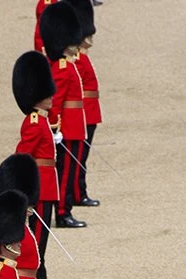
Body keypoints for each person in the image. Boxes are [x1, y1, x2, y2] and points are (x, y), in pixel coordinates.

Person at [12, 50, 62, 279]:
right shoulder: (33, 122)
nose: (52, 96)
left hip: (48, 185)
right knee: (38, 240)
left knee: (43, 240)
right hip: (39, 186)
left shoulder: (41, 121)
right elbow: (22, 157)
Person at [38, 1, 86, 229]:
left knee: (71, 170)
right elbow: (55, 103)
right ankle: (63, 213)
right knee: (65, 174)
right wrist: (55, 127)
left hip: (75, 125)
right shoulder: (62, 67)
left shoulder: (67, 64)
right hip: (67, 127)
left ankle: (66, 209)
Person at [66, 0, 101, 206]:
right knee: (77, 159)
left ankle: (79, 192)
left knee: (81, 158)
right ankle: (77, 193)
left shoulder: (82, 58)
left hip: (90, 112)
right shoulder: (76, 59)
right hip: (82, 113)